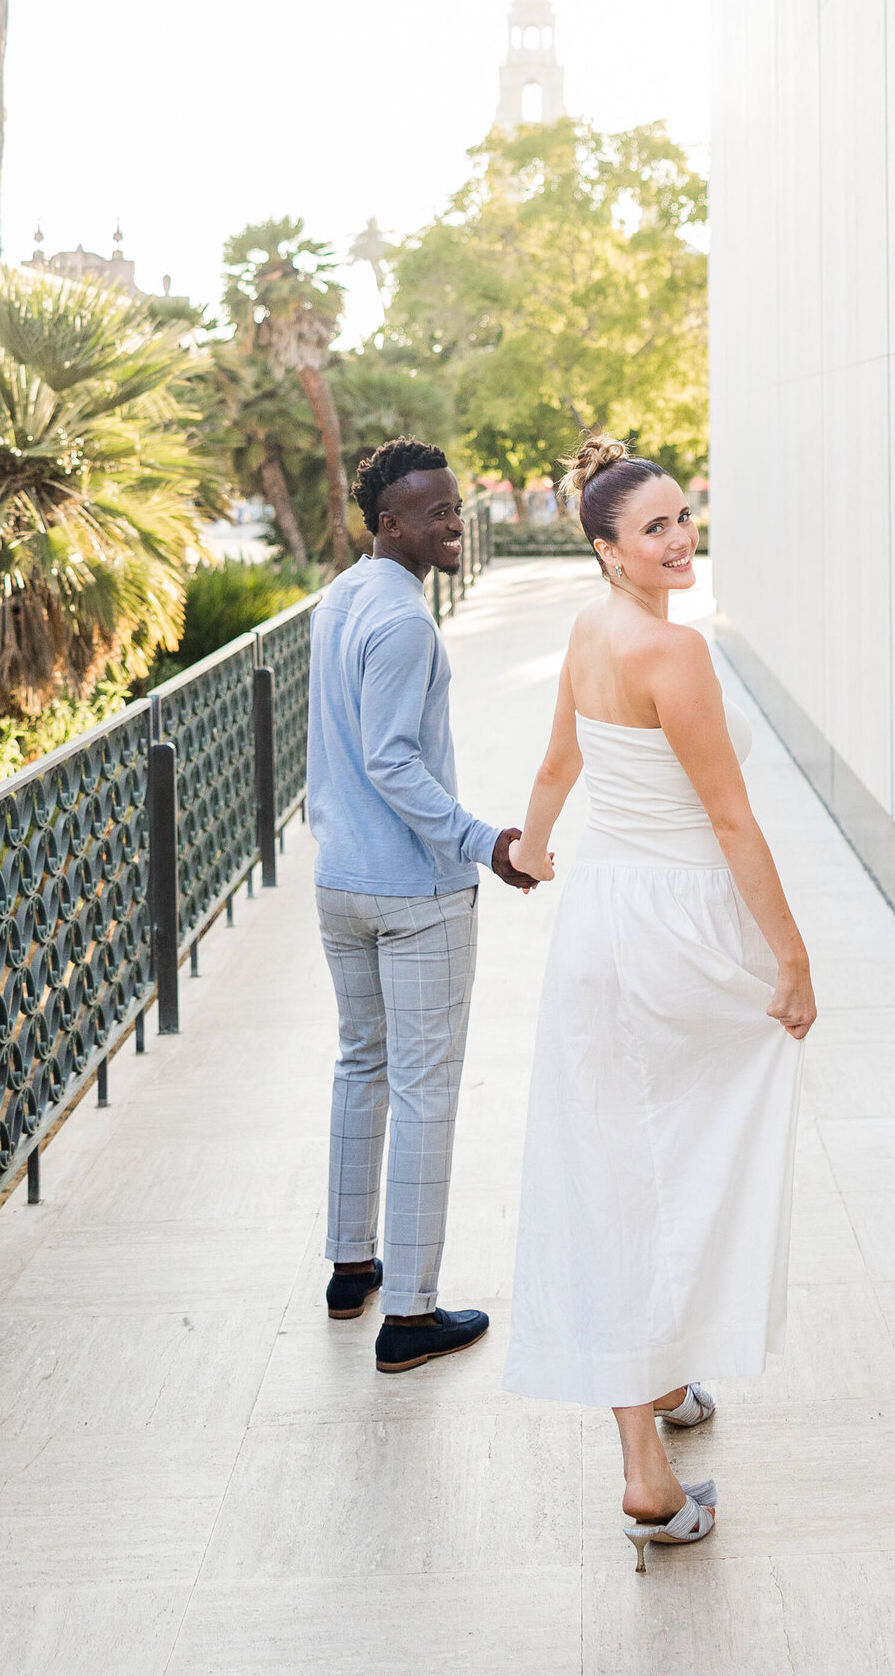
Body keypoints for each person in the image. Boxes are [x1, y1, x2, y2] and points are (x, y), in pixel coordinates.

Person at [502, 433, 817, 1572]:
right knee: (665, 1168)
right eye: (656, 529)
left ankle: (667, 1380)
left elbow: (553, 770)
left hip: (601, 925)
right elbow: (732, 822)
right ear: (609, 551)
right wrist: (790, 958)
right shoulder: (670, 657)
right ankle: (643, 1473)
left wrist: (533, 858)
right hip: (674, 930)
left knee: (624, 1163)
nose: (681, 540)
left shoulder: (590, 629)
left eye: (685, 518)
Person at [307, 436, 536, 1374]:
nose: (453, 521)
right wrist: (485, 842)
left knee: (362, 1067)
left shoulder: (341, 597)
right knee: (424, 1092)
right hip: (412, 894)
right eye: (434, 511)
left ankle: (350, 1268)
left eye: (455, 506)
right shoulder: (402, 621)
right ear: (388, 523)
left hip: (341, 885)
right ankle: (410, 1316)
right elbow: (392, 758)